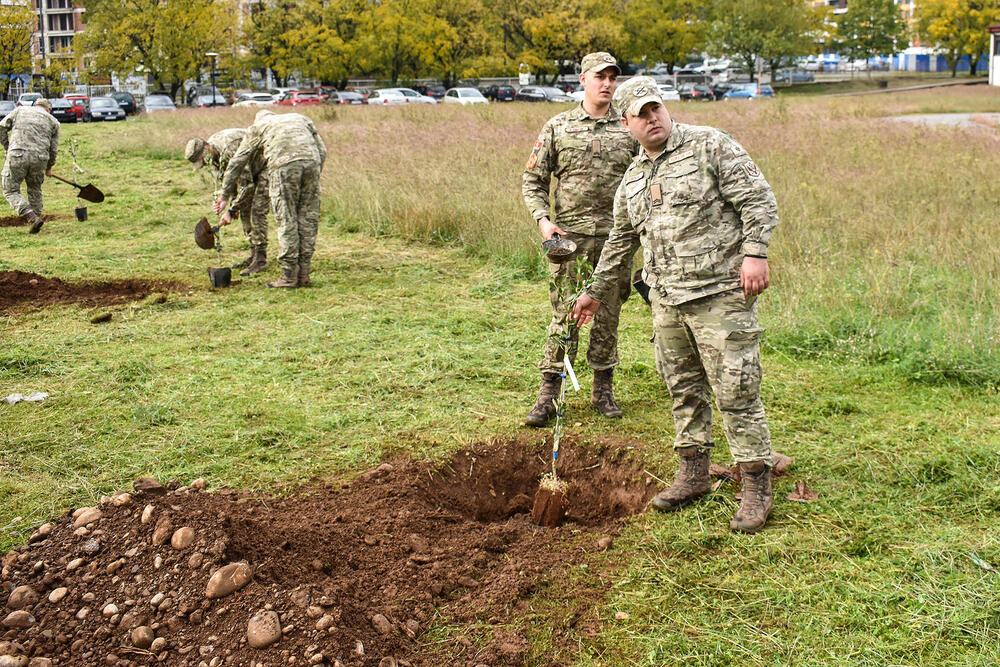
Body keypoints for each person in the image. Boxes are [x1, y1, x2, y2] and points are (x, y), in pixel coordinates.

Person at [571, 77, 780, 533]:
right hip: (666, 301)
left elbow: (758, 200)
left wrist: (755, 253)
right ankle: (693, 474)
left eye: (656, 109)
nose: (652, 119)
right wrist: (595, 290)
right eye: (641, 114)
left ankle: (756, 484)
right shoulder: (632, 180)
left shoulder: (709, 145)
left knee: (737, 392)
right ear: (625, 123)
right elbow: (620, 242)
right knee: (683, 389)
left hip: (720, 296)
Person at [521, 51, 638, 427]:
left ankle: (602, 390)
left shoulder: (627, 127)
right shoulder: (558, 126)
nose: (607, 83)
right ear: (583, 80)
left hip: (616, 241)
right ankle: (548, 394)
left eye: (612, 77)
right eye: (599, 76)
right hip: (568, 241)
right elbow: (533, 180)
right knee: (565, 315)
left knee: (607, 316)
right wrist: (544, 221)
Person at [215, 110, 326, 288]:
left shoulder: (258, 127)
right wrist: (314, 173)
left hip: (283, 166)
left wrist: (224, 195)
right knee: (307, 220)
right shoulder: (301, 118)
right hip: (312, 163)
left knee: (286, 218)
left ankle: (289, 276)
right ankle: (304, 274)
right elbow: (322, 149)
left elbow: (237, 161)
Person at [186, 130, 271, 276]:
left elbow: (247, 185)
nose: (205, 164)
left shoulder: (228, 148)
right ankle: (253, 254)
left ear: (206, 150)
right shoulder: (214, 156)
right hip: (248, 174)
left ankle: (260, 259)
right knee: (244, 210)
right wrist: (225, 201)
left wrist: (231, 211)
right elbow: (229, 181)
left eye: (203, 160)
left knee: (256, 210)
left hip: (263, 167)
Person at [0, 98, 59, 234]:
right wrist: (49, 167)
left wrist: (7, 147)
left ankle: (31, 218)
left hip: (17, 155)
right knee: (35, 189)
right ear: (48, 109)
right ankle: (37, 222)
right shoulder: (53, 121)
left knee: (10, 190)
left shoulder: (20, 111)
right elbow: (53, 149)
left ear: (35, 105)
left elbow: (1, 127)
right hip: (40, 159)